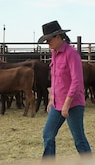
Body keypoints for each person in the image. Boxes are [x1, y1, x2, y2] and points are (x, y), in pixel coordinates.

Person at [38, 20, 92, 158]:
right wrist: (51, 99)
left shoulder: (71, 53)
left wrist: (67, 105)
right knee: (48, 134)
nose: (47, 43)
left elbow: (77, 81)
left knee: (79, 139)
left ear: (58, 37)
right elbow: (56, 79)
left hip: (73, 104)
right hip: (57, 104)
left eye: (48, 39)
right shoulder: (54, 54)